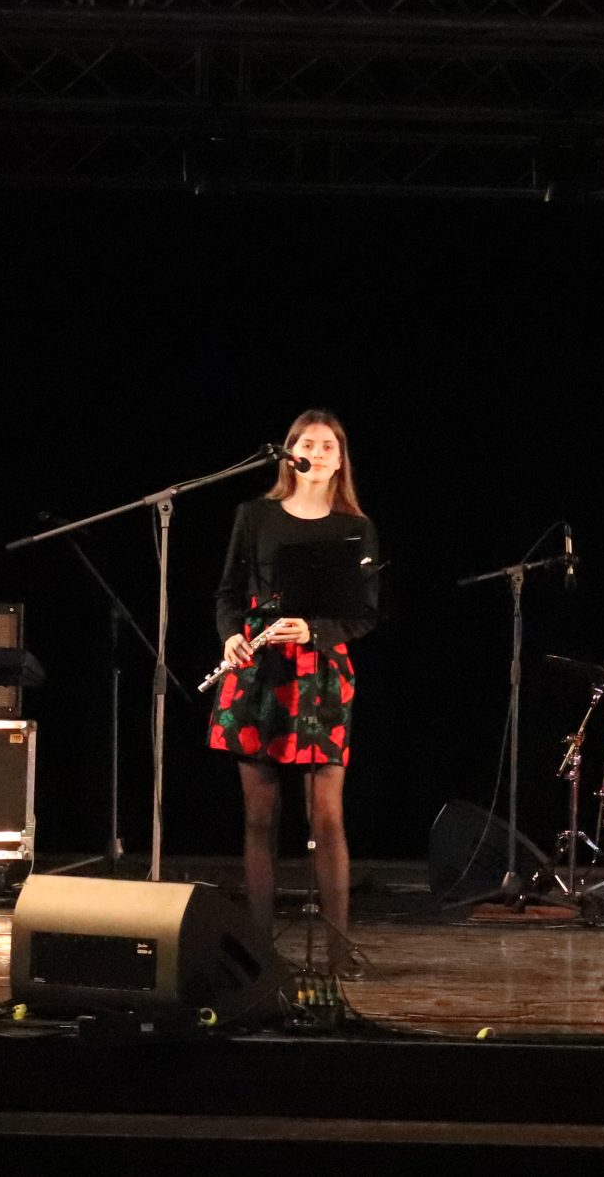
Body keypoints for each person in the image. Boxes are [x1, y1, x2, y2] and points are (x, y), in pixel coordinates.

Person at [207, 409, 381, 970]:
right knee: (259, 816)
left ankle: (338, 949)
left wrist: (314, 630)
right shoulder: (254, 515)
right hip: (258, 670)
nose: (317, 452)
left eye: (329, 445)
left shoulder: (355, 526)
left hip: (321, 671)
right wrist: (232, 635)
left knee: (325, 816)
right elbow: (228, 593)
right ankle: (259, 949)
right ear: (289, 453)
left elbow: (365, 614)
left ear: (341, 459)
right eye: (307, 443)